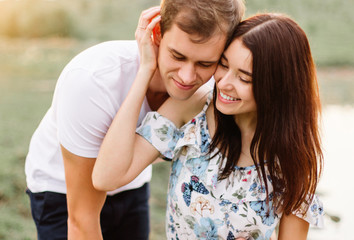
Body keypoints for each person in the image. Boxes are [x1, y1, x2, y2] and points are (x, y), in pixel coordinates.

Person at [93, 13, 325, 239]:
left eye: (244, 78)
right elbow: (106, 177)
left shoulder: (292, 159)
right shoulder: (194, 109)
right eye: (223, 65)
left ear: (277, 87)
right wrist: (146, 70)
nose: (223, 83)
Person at [24, 0, 245, 239]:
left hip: (131, 182)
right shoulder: (91, 81)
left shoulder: (218, 90)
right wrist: (146, 70)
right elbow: (81, 220)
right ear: (157, 34)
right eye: (177, 56)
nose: (187, 76)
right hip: (61, 190)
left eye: (205, 63)